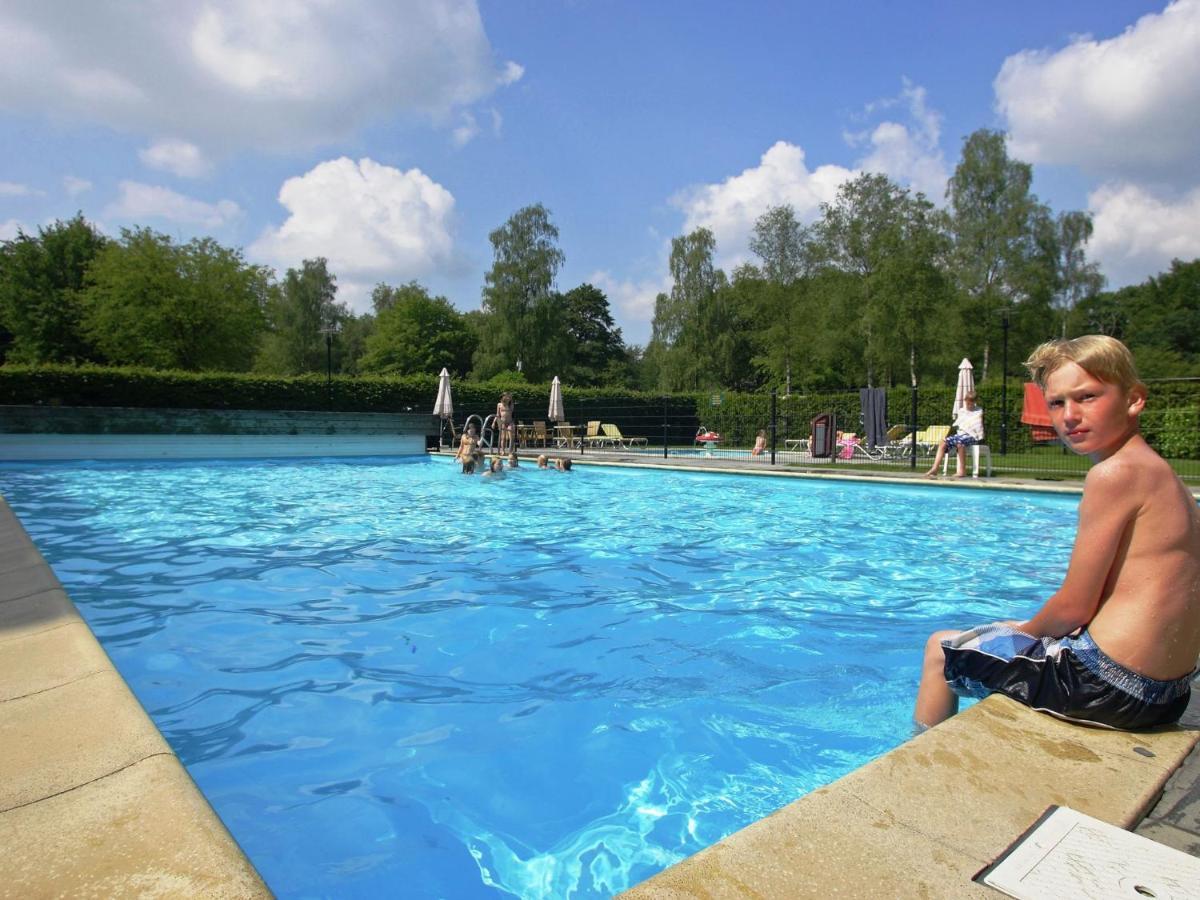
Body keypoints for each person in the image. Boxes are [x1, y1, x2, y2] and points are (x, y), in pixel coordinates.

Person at [913, 335, 1200, 732]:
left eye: (1087, 397)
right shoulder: (1163, 476)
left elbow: (1073, 608)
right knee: (1011, 634)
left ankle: (917, 762)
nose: (1070, 415)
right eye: (1057, 402)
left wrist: (1025, 631)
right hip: (1168, 694)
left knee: (941, 650)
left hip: (1106, 686)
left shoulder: (1114, 474)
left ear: (1134, 398)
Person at [924, 391, 983, 477]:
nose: (968, 404)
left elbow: (976, 424)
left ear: (974, 402)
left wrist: (969, 426)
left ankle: (962, 471)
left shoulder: (978, 410)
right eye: (967, 402)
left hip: (972, 436)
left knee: (960, 443)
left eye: (971, 403)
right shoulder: (962, 411)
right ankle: (935, 469)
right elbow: (960, 423)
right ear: (965, 400)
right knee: (943, 442)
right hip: (960, 435)